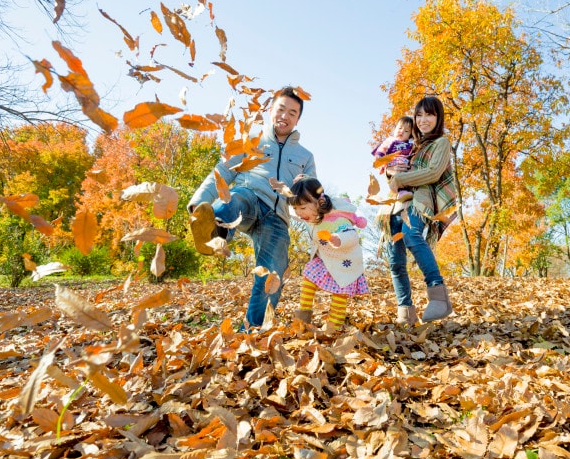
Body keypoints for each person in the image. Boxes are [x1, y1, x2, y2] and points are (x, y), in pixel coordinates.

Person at [187, 86, 316, 329]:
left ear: (298, 118)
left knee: (272, 275)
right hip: (250, 198)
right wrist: (197, 202)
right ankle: (213, 233)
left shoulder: (305, 156)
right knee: (233, 198)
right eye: (281, 109)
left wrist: (304, 187)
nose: (285, 116)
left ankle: (252, 331)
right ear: (270, 110)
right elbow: (222, 171)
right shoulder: (250, 142)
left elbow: (313, 192)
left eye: (292, 112)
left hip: (277, 218)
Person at [379, 96, 457, 326]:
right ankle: (406, 311)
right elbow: (391, 173)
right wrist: (391, 171)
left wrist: (401, 176)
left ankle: (438, 296)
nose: (423, 120)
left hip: (419, 200)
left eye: (429, 115)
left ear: (438, 117)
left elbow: (433, 173)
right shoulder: (411, 145)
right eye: (419, 115)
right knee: (395, 260)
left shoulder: (440, 143)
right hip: (393, 204)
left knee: (412, 234)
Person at [288, 176, 370, 327]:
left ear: (319, 202)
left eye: (302, 208)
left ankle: (334, 325)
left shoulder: (337, 218)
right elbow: (297, 208)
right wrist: (300, 184)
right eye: (295, 208)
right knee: (309, 274)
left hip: (345, 262)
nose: (299, 213)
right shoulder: (311, 215)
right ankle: (302, 317)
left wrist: (338, 238)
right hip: (325, 258)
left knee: (340, 291)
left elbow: (352, 236)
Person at [371, 116, 414, 202]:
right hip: (393, 163)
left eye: (406, 131)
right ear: (395, 128)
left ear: (410, 136)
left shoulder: (410, 144)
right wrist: (380, 157)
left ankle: (405, 191)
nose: (401, 131)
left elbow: (412, 153)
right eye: (400, 128)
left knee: (406, 175)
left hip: (404, 163)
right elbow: (382, 149)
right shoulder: (390, 140)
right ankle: (400, 191)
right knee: (397, 176)